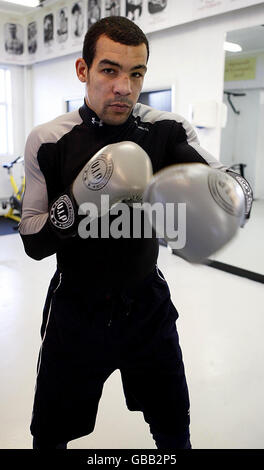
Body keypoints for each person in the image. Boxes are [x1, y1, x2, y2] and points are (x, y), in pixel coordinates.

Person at [19, 16, 252, 450]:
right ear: (83, 70)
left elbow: (231, 184)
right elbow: (33, 241)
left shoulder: (166, 130)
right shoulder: (48, 141)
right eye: (110, 70)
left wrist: (227, 203)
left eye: (137, 72)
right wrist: (77, 199)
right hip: (75, 310)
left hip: (147, 308)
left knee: (173, 430)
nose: (124, 86)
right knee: (49, 436)